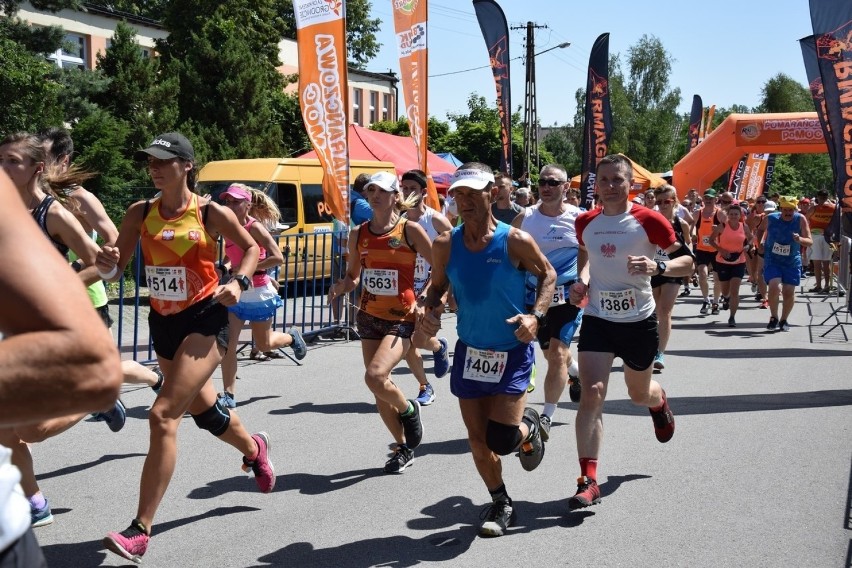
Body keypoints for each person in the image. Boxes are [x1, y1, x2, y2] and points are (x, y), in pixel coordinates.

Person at [96, 132, 275, 563]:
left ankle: (140, 529)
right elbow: (116, 267)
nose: (154, 168)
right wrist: (104, 263)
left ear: (186, 166)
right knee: (206, 412)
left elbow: (252, 249)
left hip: (206, 320)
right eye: (149, 162)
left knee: (162, 416)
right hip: (165, 324)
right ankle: (254, 449)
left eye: (163, 161)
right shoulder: (140, 212)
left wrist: (239, 281)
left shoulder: (209, 212)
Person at [420, 163, 556, 537]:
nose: (462, 201)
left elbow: (548, 274)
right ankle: (501, 501)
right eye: (457, 195)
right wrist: (430, 311)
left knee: (502, 439)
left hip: (512, 350)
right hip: (471, 353)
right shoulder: (446, 243)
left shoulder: (514, 240)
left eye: (470, 193)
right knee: (478, 442)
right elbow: (437, 287)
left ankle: (531, 427)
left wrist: (536, 317)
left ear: (492, 193)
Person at [0, 132, 126, 529]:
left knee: (31, 431)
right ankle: (35, 501)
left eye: (12, 161)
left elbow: (100, 266)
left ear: (36, 169)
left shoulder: (53, 214)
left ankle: (94, 398)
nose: (3, 168)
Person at [567, 154, 694, 510]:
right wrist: (582, 283)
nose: (609, 186)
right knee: (592, 393)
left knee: (639, 394)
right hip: (598, 318)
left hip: (639, 321)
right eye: (603, 180)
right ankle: (588, 479)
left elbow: (687, 261)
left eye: (616, 180)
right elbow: (588, 258)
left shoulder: (648, 219)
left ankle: (659, 401)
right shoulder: (586, 222)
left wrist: (658, 265)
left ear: (630, 184)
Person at [40, 127, 165, 396]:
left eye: (44, 158)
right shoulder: (38, 199)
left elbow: (115, 244)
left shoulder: (80, 198)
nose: (37, 165)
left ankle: (155, 380)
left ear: (63, 161)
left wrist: (75, 274)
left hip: (86, 296)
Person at [327, 171, 431, 474]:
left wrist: (424, 300)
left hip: (402, 317)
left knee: (375, 376)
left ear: (394, 196)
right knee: (378, 388)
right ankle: (403, 446)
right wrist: (340, 287)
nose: (374, 195)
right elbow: (354, 276)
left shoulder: (410, 231)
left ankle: (409, 410)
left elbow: (441, 269)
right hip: (369, 315)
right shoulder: (359, 233)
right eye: (370, 190)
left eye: (381, 191)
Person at [218, 183, 307, 409]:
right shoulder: (227, 227)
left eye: (236, 202)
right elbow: (231, 256)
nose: (230, 205)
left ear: (247, 204)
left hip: (258, 290)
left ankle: (291, 338)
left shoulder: (254, 227)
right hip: (236, 290)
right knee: (229, 343)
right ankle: (228, 394)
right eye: (227, 201)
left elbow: (277, 257)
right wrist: (227, 267)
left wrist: (249, 267)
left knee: (264, 344)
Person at [512, 164, 583, 437]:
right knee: (550, 354)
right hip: (536, 296)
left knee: (556, 355)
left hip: (567, 295)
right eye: (543, 181)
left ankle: (547, 415)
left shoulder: (579, 218)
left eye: (554, 182)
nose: (547, 186)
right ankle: (575, 373)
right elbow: (510, 253)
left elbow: (589, 255)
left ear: (566, 187)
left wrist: (584, 281)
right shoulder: (525, 217)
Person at [399, 169, 453, 406]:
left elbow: (451, 256)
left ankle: (439, 346)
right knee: (406, 341)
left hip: (433, 287)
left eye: (412, 188)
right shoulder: (398, 219)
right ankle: (425, 386)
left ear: (423, 192)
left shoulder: (435, 220)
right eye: (404, 187)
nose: (408, 192)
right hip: (405, 290)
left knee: (419, 340)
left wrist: (433, 290)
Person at [756, 195, 812, 331]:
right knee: (775, 287)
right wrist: (760, 244)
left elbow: (810, 241)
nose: (788, 213)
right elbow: (760, 229)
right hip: (772, 259)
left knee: (788, 292)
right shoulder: (770, 218)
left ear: (795, 210)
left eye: (791, 210)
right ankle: (774, 317)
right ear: (780, 209)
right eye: (785, 210)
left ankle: (784, 319)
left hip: (791, 261)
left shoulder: (800, 219)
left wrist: (800, 239)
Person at [651, 185, 691, 368]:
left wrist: (689, 270)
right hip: (652, 269)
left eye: (666, 201)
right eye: (659, 202)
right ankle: (648, 348)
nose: (662, 205)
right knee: (652, 312)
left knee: (665, 311)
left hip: (672, 270)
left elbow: (688, 250)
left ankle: (659, 353)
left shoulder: (681, 224)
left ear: (674, 201)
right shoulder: (650, 221)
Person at [710, 200, 755, 327]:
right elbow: (711, 240)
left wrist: (748, 245)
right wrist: (721, 250)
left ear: (740, 215)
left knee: (735, 290)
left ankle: (732, 317)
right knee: (725, 290)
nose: (734, 216)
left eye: (736, 214)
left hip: (739, 261)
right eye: (732, 214)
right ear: (728, 215)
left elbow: (751, 237)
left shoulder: (743, 226)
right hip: (722, 261)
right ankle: (726, 297)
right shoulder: (722, 226)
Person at [694, 189, 722, 315]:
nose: (708, 200)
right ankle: (706, 300)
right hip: (702, 249)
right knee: (702, 274)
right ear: (703, 200)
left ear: (715, 199)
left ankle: (716, 301)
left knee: (717, 278)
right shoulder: (697, 213)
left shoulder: (720, 214)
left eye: (711, 198)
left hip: (716, 249)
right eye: (706, 198)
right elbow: (692, 228)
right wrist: (693, 234)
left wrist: (719, 230)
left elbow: (728, 229)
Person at [806, 189, 837, 293]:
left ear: (817, 197)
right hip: (830, 237)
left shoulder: (813, 208)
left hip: (815, 236)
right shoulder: (834, 208)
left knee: (817, 262)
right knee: (827, 262)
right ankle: (827, 285)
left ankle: (819, 286)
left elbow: (805, 220)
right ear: (827, 197)